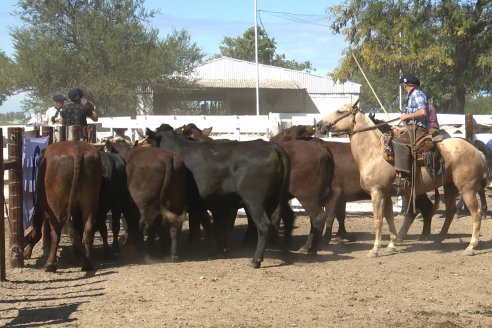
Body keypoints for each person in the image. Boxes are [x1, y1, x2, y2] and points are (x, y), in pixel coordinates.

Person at [391, 74, 430, 190]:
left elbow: (423, 112)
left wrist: (406, 116)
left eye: (403, 85)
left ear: (406, 85)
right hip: (413, 128)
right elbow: (414, 121)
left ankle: (405, 178)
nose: (403, 88)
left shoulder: (417, 94)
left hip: (419, 130)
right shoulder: (412, 95)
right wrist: (402, 129)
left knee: (397, 142)